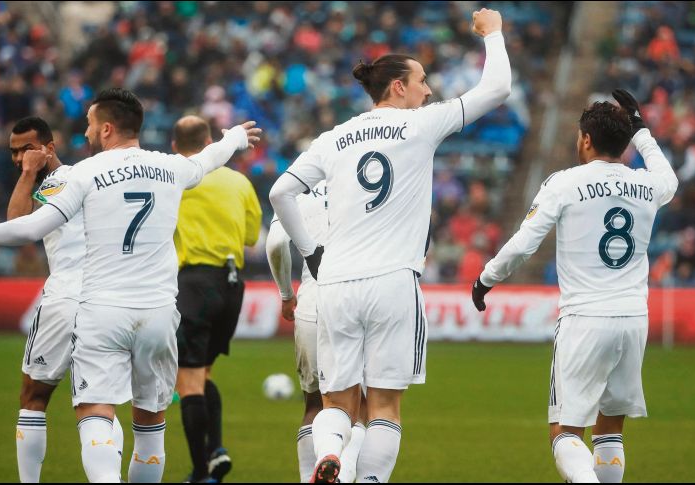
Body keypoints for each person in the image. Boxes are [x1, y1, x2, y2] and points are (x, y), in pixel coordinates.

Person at [269, 8, 511, 483]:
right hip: (393, 283)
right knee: (384, 406)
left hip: (335, 283)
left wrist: (312, 253)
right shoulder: (423, 124)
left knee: (334, 403)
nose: (428, 90)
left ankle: (326, 457)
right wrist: (495, 34)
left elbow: (280, 193)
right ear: (397, 86)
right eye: (421, 80)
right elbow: (498, 88)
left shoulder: (334, 138)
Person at [0, 88, 261, 483]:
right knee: (150, 422)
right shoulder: (170, 167)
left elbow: (30, 225)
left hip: (103, 310)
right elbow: (209, 159)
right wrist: (233, 137)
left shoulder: (84, 173)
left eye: (91, 124)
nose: (87, 131)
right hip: (160, 314)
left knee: (95, 411)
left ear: (107, 128)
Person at [472, 90, 679, 483]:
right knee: (610, 430)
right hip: (634, 320)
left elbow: (525, 241)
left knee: (565, 433)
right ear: (625, 141)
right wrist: (641, 129)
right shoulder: (649, 185)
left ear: (585, 139)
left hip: (585, 319)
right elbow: (670, 177)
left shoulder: (564, 183)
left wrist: (487, 278)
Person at [7, 116, 123, 483]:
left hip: (66, 297)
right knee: (99, 403)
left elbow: (15, 228)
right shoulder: (92, 179)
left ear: (49, 149)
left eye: (27, 149)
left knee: (33, 396)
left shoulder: (56, 182)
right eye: (13, 152)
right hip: (108, 298)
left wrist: (28, 175)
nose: (19, 159)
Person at [171, 115, 262, 483]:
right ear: (211, 140)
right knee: (203, 373)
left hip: (193, 282)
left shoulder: (176, 177)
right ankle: (217, 449)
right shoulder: (239, 182)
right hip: (231, 285)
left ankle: (200, 472)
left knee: (188, 382)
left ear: (175, 147)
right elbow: (252, 236)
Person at [266, 181, 367, 483]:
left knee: (314, 404)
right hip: (356, 297)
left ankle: (309, 476)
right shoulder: (361, 183)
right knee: (360, 403)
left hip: (313, 299)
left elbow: (274, 244)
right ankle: (344, 476)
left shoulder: (295, 189)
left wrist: (286, 294)